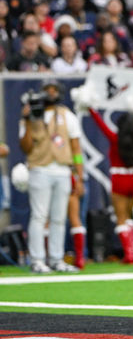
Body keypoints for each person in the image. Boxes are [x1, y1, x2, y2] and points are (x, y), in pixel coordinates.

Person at [19, 78, 83, 273]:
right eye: (48, 90)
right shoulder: (32, 115)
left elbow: (76, 148)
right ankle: (37, 259)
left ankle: (56, 258)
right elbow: (25, 147)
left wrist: (79, 175)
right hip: (40, 168)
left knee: (58, 218)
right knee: (39, 216)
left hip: (62, 170)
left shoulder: (66, 115)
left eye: (54, 90)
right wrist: (27, 122)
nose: (51, 93)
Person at [88, 108, 133, 264]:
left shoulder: (114, 139)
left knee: (121, 218)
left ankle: (129, 254)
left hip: (120, 180)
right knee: (128, 217)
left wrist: (91, 109)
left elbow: (100, 124)